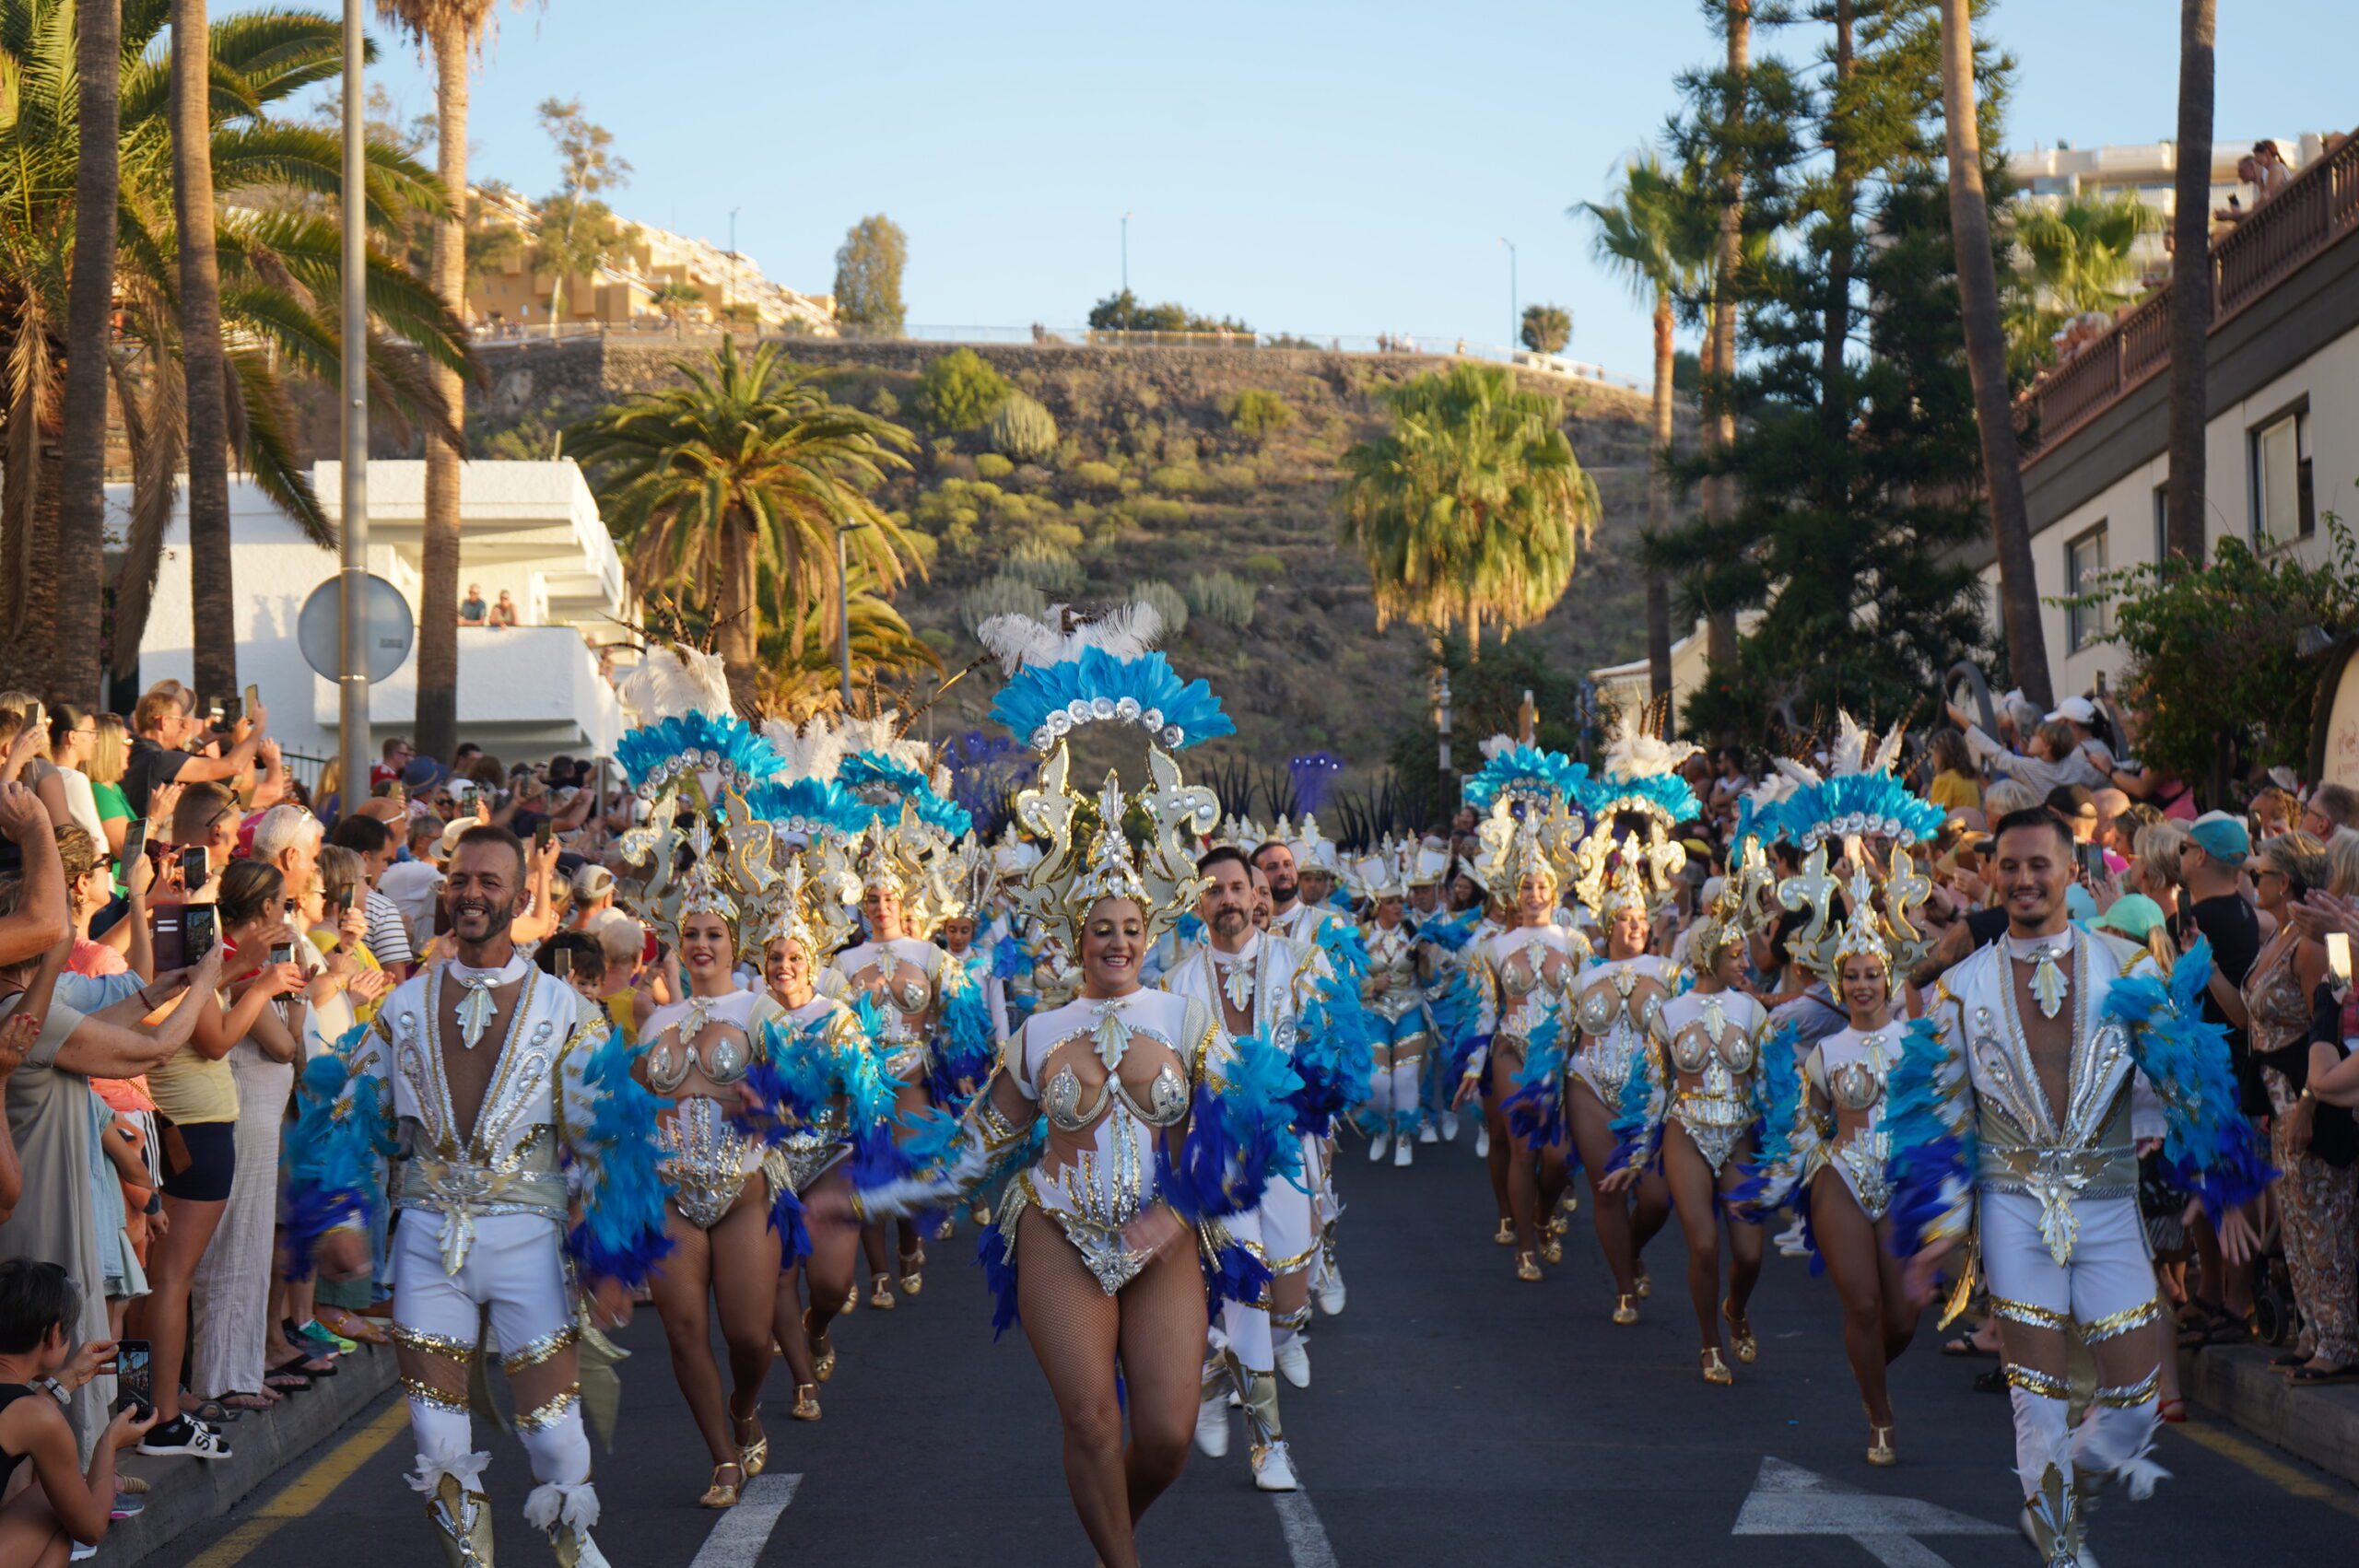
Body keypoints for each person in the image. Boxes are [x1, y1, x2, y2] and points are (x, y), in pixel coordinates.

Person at [821, 624, 1299, 1568]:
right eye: (1098, 930)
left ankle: (1106, 1532)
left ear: (1150, 930)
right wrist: (878, 1191)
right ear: (1072, 938)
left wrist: (1170, 1222)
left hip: (1160, 1231)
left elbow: (1242, 1140)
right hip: (1055, 1228)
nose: (1115, 942)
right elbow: (974, 1148)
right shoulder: (1038, 1031)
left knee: (1161, 1435)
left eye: (1129, 927)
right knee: (1087, 1418)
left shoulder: (1184, 1015)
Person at [1893, 808, 2267, 1567]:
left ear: (2072, 873)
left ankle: (2059, 1507)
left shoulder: (2128, 967)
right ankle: (2062, 1547)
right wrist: (1938, 1236)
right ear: (1995, 876)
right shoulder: (1961, 990)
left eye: (2040, 865)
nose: (2025, 879)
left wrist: (2220, 1174)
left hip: (2107, 1204)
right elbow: (1942, 1121)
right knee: (2038, 1400)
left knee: (2132, 1406)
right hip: (2012, 1208)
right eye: (2011, 866)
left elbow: (2183, 1073)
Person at [298, 825, 663, 1566]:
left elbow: (607, 1140)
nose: (470, 894)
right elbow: (347, 1115)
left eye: (488, 883)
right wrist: (338, 1213)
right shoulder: (400, 1011)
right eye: (460, 880)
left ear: (520, 897)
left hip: (530, 1243)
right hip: (427, 1241)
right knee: (436, 1440)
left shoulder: (568, 1011)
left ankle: (576, 1551)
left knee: (555, 1437)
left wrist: (610, 1252)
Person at [613, 807, 792, 1510]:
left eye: (714, 934)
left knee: (749, 1337)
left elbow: (802, 1102)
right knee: (686, 1330)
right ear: (675, 941)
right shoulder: (652, 1020)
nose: (701, 945)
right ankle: (721, 1455)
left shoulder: (759, 1012)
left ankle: (745, 1406)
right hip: (670, 1194)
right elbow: (629, 1108)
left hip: (744, 1187)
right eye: (690, 934)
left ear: (735, 941)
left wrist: (767, 1104)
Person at [1162, 845, 1328, 1491]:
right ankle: (1269, 1446)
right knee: (1243, 1290)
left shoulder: (1301, 964)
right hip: (1217, 1156)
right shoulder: (1175, 984)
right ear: (1199, 903)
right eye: (1214, 890)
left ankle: (1211, 1377)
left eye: (1237, 887)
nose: (1227, 899)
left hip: (1287, 1149)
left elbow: (1325, 1055)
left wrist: (1321, 1139)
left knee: (1291, 1291)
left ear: (1257, 896)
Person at [1607, 883, 1773, 1386]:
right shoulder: (1668, 1016)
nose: (1745, 964)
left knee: (1749, 1253)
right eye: (1735, 955)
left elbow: (1770, 1088)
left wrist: (1792, 1153)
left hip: (1740, 1132)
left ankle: (1735, 1308)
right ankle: (1709, 1345)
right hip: (1686, 1131)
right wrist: (1636, 1156)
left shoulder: (1753, 1011)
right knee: (1703, 1246)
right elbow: (1655, 1093)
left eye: (1744, 955)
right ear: (1708, 957)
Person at [750, 862, 894, 1428]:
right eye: (774, 958)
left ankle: (817, 1325)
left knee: (831, 1283)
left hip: (832, 1154)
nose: (784, 967)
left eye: (794, 958)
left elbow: (867, 1092)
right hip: (770, 1161)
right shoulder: (750, 1016)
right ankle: (803, 1380)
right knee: (780, 1276)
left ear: (810, 965)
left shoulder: (835, 1017)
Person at [0, 1260, 154, 1565]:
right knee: (55, 1511)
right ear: (55, 1333)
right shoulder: (39, 1419)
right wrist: (110, 1443)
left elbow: (16, 1416)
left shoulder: (29, 1413)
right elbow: (91, 1529)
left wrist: (65, 1381)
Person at [121, 688, 267, 818]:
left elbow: (179, 758)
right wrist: (255, 730)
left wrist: (203, 739)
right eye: (179, 720)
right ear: (164, 722)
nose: (183, 726)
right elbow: (236, 772)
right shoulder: (160, 759)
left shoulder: (129, 750)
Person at [329, 813, 418, 979]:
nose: (386, 868)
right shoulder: (383, 909)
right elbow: (397, 984)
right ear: (365, 858)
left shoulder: (314, 902)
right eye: (385, 859)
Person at [1925, 730, 1980, 814]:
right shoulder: (1971, 779)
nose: (1932, 759)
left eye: (1933, 753)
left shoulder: (1943, 780)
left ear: (1942, 754)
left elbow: (1935, 817)